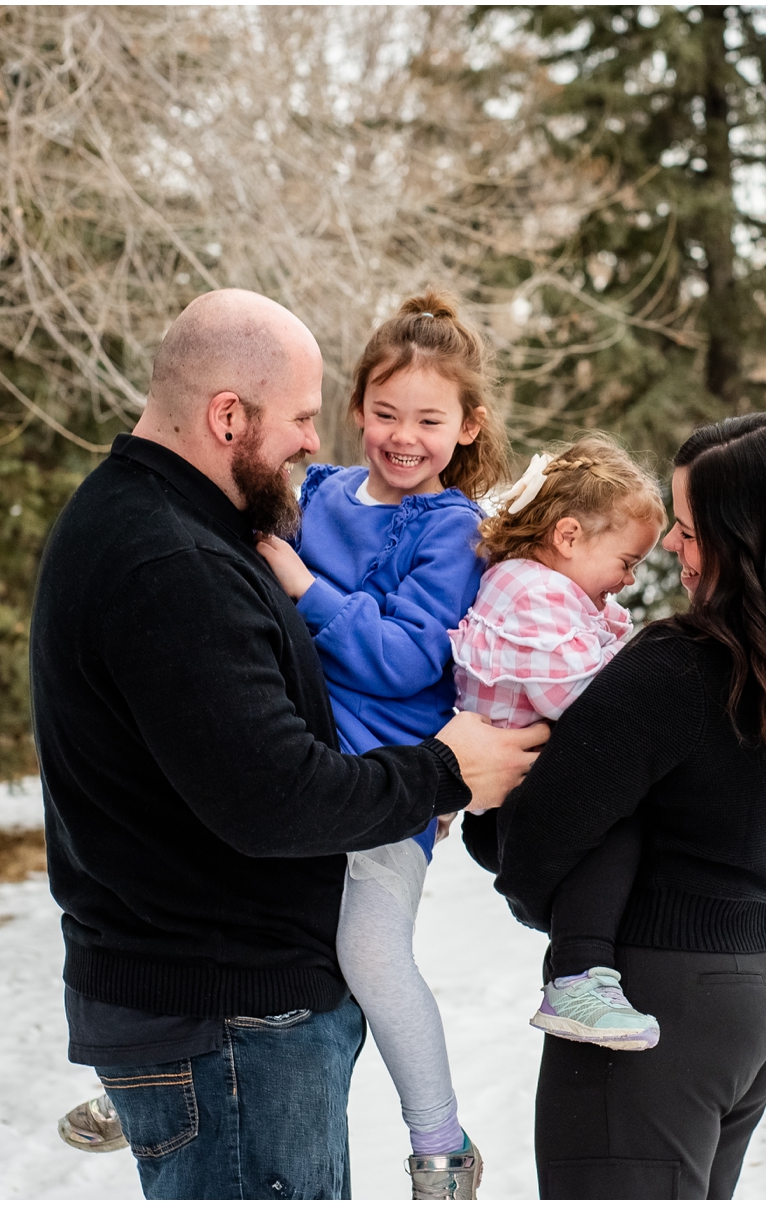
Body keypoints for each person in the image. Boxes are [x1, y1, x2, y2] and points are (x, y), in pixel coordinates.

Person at [31, 288, 547, 1201]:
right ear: (228, 417)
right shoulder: (173, 560)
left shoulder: (170, 521)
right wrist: (443, 772)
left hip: (216, 1015)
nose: (316, 443)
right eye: (304, 419)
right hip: (225, 1025)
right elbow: (273, 797)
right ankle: (440, 1143)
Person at [464, 412, 766, 1199]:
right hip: (762, 994)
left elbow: (533, 843)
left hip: (653, 1008)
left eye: (688, 531)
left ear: (743, 542)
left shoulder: (676, 668)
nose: (667, 545)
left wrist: (490, 819)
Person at [249, 290, 508, 1198]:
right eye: (387, 412)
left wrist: (304, 586)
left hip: (390, 783)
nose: (404, 437)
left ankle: (441, 1141)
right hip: (300, 760)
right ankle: (144, 1078)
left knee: (371, 949)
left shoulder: (451, 528)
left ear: (467, 426)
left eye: (430, 420)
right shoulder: (316, 493)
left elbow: (405, 659)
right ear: (355, 407)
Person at [448, 434, 668, 1049]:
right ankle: (576, 976)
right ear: (569, 537)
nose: (629, 580)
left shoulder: (546, 588)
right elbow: (577, 698)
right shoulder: (533, 592)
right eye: (626, 561)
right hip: (515, 801)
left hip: (529, 789)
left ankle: (700, 957)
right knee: (616, 824)